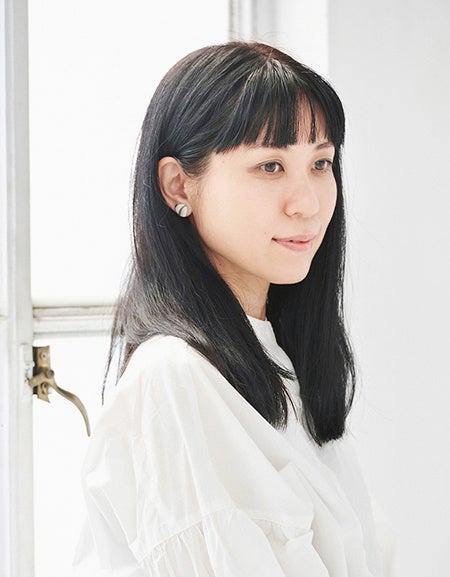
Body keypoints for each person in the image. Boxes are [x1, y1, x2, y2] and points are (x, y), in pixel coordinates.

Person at [73, 41, 391, 576]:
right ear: (178, 184)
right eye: (270, 165)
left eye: (320, 163)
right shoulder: (173, 378)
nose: (308, 202)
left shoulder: (280, 362)